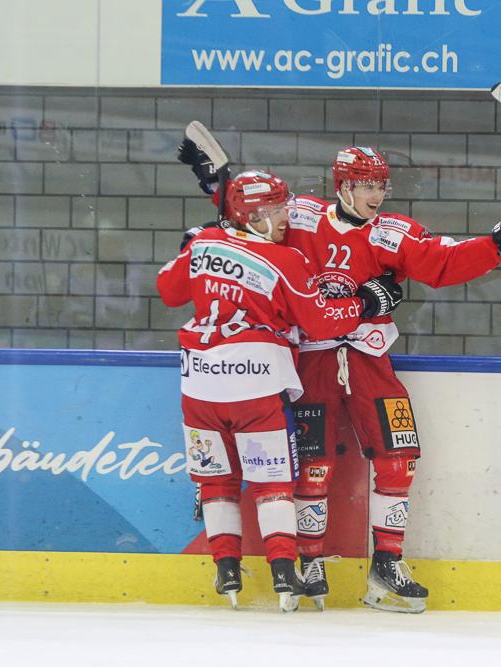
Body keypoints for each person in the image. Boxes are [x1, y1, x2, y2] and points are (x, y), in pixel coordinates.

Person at [182, 143, 501, 614]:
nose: (375, 195)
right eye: (364, 185)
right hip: (311, 361)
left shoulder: (392, 233)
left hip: (370, 359)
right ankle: (311, 563)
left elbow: (442, 260)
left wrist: (498, 244)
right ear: (342, 185)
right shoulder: (301, 216)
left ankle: (387, 565)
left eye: (380, 185)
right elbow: (252, 218)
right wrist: (217, 193)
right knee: (313, 466)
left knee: (400, 456)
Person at [156, 169, 403, 611]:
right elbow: (321, 321)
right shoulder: (285, 260)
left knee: (216, 480)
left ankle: (226, 568)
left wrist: (193, 244)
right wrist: (368, 302)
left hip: (199, 389)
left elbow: (169, 291)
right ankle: (285, 572)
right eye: (276, 209)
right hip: (255, 389)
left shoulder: (203, 242)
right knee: (273, 484)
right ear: (253, 216)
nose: (287, 216)